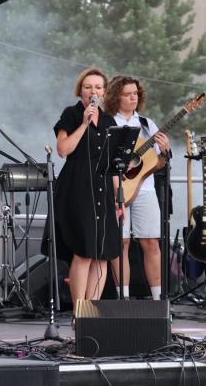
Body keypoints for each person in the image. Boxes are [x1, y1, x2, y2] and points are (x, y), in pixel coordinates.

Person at [53, 67, 120, 310]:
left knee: (102, 254)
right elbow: (63, 150)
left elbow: (112, 163)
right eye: (88, 86)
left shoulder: (109, 120)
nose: (93, 91)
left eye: (98, 87)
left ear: (104, 92)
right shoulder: (71, 114)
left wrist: (118, 198)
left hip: (103, 187)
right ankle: (79, 311)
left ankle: (92, 311)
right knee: (83, 251)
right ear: (80, 90)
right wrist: (84, 124)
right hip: (77, 186)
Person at [104, 75, 169, 300]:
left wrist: (165, 151)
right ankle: (123, 298)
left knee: (151, 242)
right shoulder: (108, 122)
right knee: (120, 243)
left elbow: (157, 163)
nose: (133, 98)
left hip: (146, 189)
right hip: (116, 189)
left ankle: (158, 298)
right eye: (127, 94)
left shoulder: (147, 125)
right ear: (116, 97)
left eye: (135, 93)